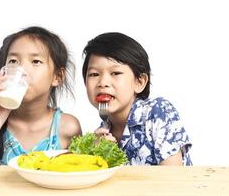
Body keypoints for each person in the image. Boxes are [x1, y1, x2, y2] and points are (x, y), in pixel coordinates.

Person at [0, 26, 82, 165]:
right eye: (13, 61)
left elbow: (76, 177)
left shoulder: (68, 127)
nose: (21, 70)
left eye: (35, 62)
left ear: (57, 76)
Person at [82, 32, 192, 165]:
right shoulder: (103, 133)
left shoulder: (158, 113)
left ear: (139, 82)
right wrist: (97, 157)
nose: (103, 82)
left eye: (115, 73)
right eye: (94, 74)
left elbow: (171, 177)